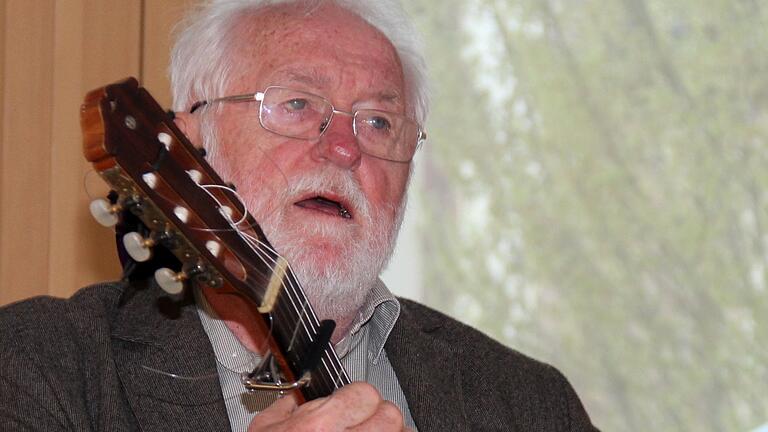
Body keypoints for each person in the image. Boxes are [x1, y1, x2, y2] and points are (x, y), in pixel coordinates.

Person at [0, 0, 598, 430]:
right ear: (190, 143)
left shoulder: (531, 403)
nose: (343, 148)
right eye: (295, 104)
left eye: (379, 121)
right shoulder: (39, 365)